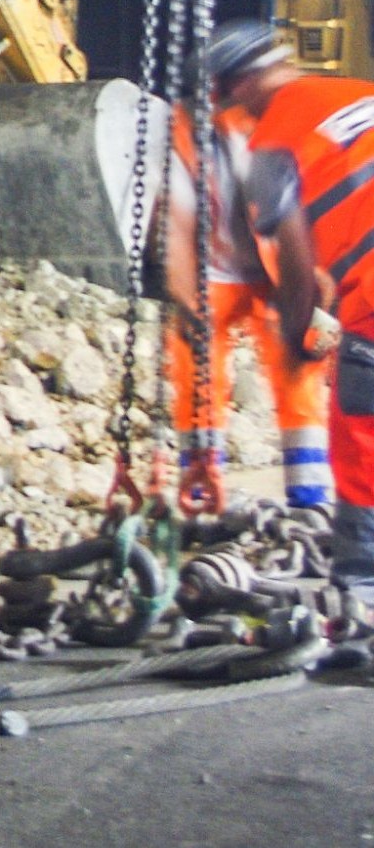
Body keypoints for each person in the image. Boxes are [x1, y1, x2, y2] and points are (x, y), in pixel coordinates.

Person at [209, 20, 374, 592]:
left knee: (361, 434)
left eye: (231, 99)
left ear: (242, 84)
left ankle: (361, 589)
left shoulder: (273, 143)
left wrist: (300, 336)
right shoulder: (357, 94)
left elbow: (298, 262)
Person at [159, 38, 332, 512]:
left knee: (302, 367)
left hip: (280, 273)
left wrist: (318, 287)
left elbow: (317, 203)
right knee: (195, 366)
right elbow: (173, 218)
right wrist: (183, 295)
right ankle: (201, 481)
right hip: (213, 274)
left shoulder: (287, 125)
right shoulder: (184, 132)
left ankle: (310, 494)